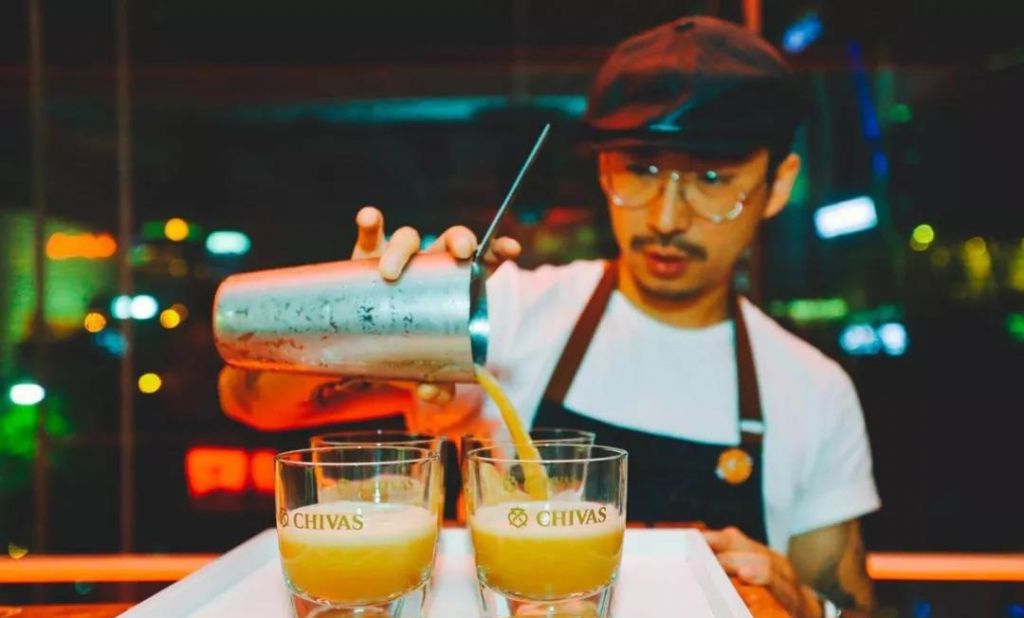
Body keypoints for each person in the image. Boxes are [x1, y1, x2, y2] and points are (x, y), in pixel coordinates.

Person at [223, 16, 879, 617]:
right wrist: (355, 320)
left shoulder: (813, 390)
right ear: (604, 171)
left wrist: (809, 604)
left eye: (712, 178)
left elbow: (851, 603)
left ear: (779, 183)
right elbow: (249, 400)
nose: (665, 217)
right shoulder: (504, 315)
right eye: (641, 170)